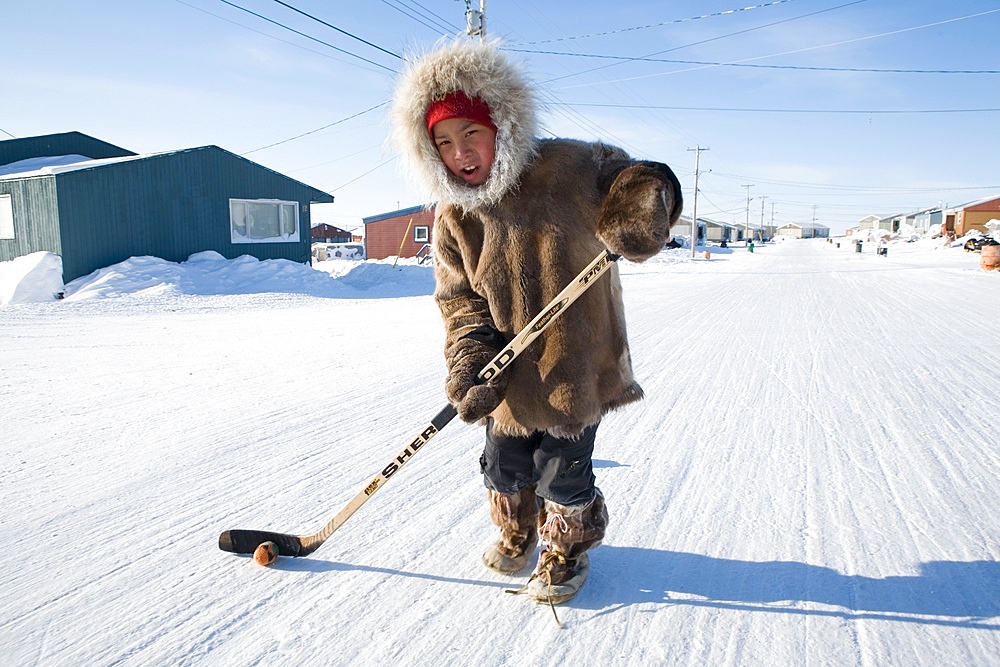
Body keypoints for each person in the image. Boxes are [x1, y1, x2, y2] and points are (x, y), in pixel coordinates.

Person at [390, 39, 682, 605]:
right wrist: (471, 357)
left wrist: (643, 204)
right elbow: (459, 301)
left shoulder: (572, 166)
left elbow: (644, 185)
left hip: (577, 366)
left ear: (502, 122)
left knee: (561, 473)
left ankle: (566, 548)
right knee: (503, 468)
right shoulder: (455, 217)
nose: (461, 152)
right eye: (444, 143)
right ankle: (518, 526)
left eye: (472, 132)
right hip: (507, 375)